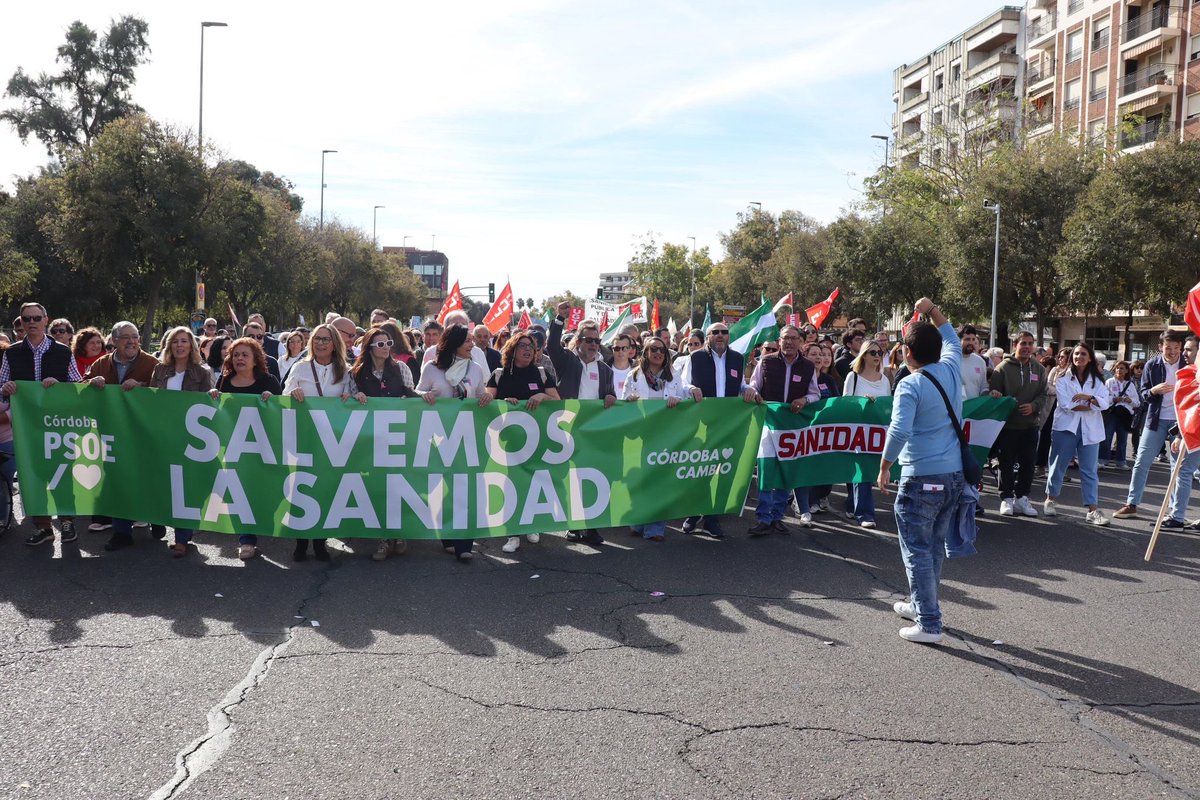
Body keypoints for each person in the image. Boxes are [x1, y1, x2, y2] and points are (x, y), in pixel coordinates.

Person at [876, 297, 963, 645]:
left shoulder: (910, 384)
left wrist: (884, 465)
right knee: (933, 547)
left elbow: (899, 430)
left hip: (921, 477)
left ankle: (929, 622)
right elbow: (952, 337)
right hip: (953, 475)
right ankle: (920, 604)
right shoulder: (952, 367)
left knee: (916, 550)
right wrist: (931, 309)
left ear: (907, 353)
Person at [0, 302, 83, 545]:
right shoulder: (12, 353)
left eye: (36, 318)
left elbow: (77, 386)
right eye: (27, 319)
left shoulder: (63, 352)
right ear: (22, 323)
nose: (32, 322)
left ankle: (67, 522)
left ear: (46, 320)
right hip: (27, 428)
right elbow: (1, 387)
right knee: (32, 476)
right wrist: (6, 389)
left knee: (62, 473)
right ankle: (43, 527)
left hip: (58, 424)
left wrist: (59, 386)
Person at [414, 324, 492, 561]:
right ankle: (447, 536)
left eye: (472, 340)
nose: (472, 344)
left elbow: (480, 394)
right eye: (467, 341)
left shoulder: (476, 369)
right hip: (438, 437)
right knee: (443, 488)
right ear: (454, 343)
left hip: (466, 436)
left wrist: (486, 397)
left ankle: (463, 543)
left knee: (466, 487)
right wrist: (422, 395)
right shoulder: (432, 368)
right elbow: (417, 392)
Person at [84, 321, 161, 551]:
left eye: (134, 337)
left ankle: (156, 517)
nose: (131, 341)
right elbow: (80, 388)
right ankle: (122, 532)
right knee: (118, 480)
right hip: (112, 433)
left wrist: (142, 386)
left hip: (143, 432)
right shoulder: (101, 364)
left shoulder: (152, 363)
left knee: (148, 477)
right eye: (125, 337)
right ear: (114, 341)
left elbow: (162, 394)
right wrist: (91, 382)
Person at [283, 323, 355, 562]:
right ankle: (301, 542)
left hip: (331, 440)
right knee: (301, 487)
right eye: (317, 339)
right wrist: (292, 393)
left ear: (335, 343)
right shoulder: (301, 367)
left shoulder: (345, 371)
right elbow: (284, 395)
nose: (321, 343)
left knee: (325, 489)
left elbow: (353, 398)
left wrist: (349, 397)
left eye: (326, 339)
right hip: (304, 437)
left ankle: (320, 541)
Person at [350, 326, 421, 562]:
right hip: (370, 438)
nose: (386, 348)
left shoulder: (401, 368)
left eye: (388, 343)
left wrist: (418, 397)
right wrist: (356, 397)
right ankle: (382, 538)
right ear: (369, 348)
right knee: (377, 487)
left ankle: (399, 533)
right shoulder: (356, 373)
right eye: (380, 344)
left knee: (398, 485)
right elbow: (348, 399)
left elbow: (411, 395)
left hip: (398, 436)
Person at [548, 306, 617, 546]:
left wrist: (611, 396)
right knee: (572, 478)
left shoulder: (605, 369)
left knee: (594, 476)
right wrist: (560, 318)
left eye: (597, 341)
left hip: (594, 431)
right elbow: (552, 346)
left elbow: (609, 394)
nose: (593, 345)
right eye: (589, 340)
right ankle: (574, 525)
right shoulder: (567, 361)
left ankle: (592, 526)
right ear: (578, 341)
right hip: (568, 428)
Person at [485, 332, 560, 552]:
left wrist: (542, 396)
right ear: (512, 349)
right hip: (507, 441)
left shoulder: (542, 373)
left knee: (533, 482)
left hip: (537, 439)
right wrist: (502, 402)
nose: (528, 349)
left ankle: (532, 525)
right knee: (511, 485)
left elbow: (557, 401)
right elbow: (487, 400)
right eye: (522, 346)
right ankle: (512, 534)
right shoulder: (499, 374)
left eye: (531, 346)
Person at [622, 335, 700, 542]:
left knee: (661, 480)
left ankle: (655, 528)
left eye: (662, 350)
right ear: (646, 352)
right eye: (654, 349)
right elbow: (623, 401)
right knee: (643, 479)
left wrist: (681, 396)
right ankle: (638, 522)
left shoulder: (673, 376)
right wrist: (629, 400)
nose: (658, 353)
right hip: (643, 435)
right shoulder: (634, 375)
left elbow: (683, 394)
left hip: (666, 434)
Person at [746, 325, 821, 535]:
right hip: (768, 425)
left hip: (792, 428)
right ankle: (763, 517)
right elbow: (753, 385)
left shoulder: (808, 366)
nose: (789, 342)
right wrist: (754, 393)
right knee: (766, 470)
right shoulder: (766, 362)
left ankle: (777, 516)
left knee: (785, 471)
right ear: (779, 340)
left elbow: (815, 394)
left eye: (793, 338)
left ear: (800, 342)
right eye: (785, 338)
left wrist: (804, 400)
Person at [679, 321, 750, 539]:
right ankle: (693, 513)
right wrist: (692, 388)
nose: (720, 335)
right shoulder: (695, 357)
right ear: (708, 336)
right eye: (715, 332)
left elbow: (741, 385)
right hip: (701, 424)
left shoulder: (738, 358)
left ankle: (712, 518)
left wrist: (750, 390)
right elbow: (682, 384)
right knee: (701, 470)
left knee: (722, 471)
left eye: (724, 332)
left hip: (728, 425)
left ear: (729, 336)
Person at [149, 327, 213, 557]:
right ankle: (157, 520)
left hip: (188, 437)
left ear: (191, 345)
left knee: (184, 487)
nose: (179, 345)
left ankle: (182, 538)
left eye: (184, 341)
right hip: (163, 436)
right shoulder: (160, 369)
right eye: (175, 341)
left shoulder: (201, 372)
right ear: (169, 346)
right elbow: (150, 399)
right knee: (161, 482)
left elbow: (207, 403)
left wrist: (213, 394)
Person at [1113, 330, 1189, 521]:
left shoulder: (1188, 365)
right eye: (1168, 347)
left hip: (1180, 422)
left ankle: (1174, 512)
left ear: (1180, 347)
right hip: (1155, 420)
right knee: (1141, 462)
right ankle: (1131, 504)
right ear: (1160, 347)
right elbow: (1144, 394)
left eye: (1176, 348)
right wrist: (1154, 391)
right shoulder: (1151, 365)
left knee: (1178, 467)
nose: (1173, 352)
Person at [1044, 342, 1110, 525]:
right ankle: (1050, 499)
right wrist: (1093, 404)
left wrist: (1089, 398)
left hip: (1090, 430)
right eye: (1076, 354)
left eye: (1083, 354)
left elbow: (1105, 404)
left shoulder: (1098, 381)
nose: (1079, 357)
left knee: (1089, 470)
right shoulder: (1063, 379)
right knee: (1058, 465)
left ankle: (1093, 510)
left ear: (1090, 358)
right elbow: (1067, 405)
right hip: (1066, 428)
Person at [989, 331, 1047, 517]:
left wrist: (1033, 406)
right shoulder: (1002, 369)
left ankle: (1022, 498)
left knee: (1028, 464)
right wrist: (997, 396)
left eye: (1030, 343)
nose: (1027, 347)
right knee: (1005, 463)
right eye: (1023, 343)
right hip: (1007, 427)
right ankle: (1006, 498)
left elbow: (1043, 395)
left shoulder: (1039, 369)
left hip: (1030, 425)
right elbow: (993, 393)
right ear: (1015, 345)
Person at [841, 337, 892, 528]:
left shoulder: (884, 379)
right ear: (863, 355)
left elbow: (888, 407)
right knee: (862, 472)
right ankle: (864, 514)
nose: (877, 356)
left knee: (870, 472)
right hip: (858, 432)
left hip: (878, 432)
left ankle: (853, 504)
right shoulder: (852, 377)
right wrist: (862, 401)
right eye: (873, 352)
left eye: (880, 352)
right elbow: (845, 404)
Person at [805, 341, 840, 516]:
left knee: (826, 466)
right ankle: (808, 501)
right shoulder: (802, 377)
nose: (819, 357)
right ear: (805, 357)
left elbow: (837, 401)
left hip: (827, 431)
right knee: (809, 466)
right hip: (807, 429)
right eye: (814, 354)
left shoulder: (828, 380)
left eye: (820, 354)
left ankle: (821, 496)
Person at [1036, 349, 1071, 474]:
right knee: (1045, 436)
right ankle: (1040, 466)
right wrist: (1060, 391)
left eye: (1063, 357)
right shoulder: (1055, 370)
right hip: (1051, 407)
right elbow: (1047, 386)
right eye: (1059, 357)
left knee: (1062, 440)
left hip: (1066, 410)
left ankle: (1059, 470)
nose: (1060, 359)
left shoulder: (1073, 372)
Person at [1103, 360, 1139, 469]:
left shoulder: (1130, 384)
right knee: (1107, 437)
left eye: (1122, 368)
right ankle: (1103, 460)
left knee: (1122, 439)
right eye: (1117, 368)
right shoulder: (1109, 382)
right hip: (1112, 412)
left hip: (1124, 414)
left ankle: (1121, 462)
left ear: (1127, 370)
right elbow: (1103, 398)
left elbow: (1137, 402)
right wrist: (1114, 399)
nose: (1119, 370)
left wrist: (1129, 400)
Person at [958, 324, 990, 400]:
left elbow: (983, 387)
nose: (971, 343)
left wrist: (988, 394)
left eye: (973, 339)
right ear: (959, 340)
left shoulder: (980, 361)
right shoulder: (951, 361)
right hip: (956, 407)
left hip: (975, 406)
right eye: (967, 339)